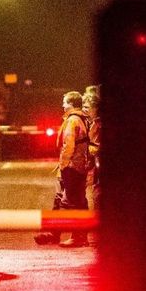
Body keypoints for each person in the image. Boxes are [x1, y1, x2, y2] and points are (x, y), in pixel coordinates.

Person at [34, 91, 91, 248]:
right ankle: (60, 234)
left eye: (65, 102)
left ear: (72, 104)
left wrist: (64, 165)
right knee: (72, 200)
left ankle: (71, 235)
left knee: (70, 201)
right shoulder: (83, 119)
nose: (62, 105)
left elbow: (68, 145)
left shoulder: (72, 120)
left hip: (72, 166)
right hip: (79, 165)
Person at [82, 90, 101, 210]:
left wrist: (87, 148)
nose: (85, 110)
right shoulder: (91, 122)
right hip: (95, 167)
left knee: (98, 195)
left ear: (96, 108)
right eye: (83, 107)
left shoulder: (99, 124)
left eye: (87, 107)